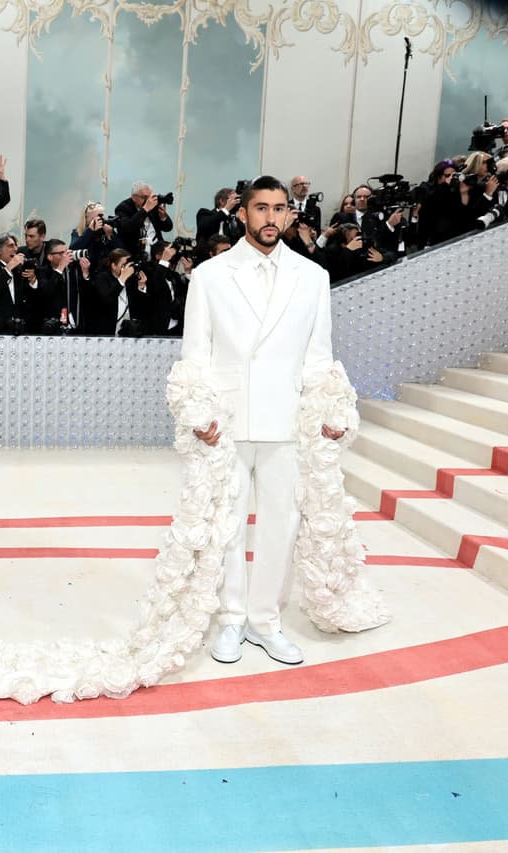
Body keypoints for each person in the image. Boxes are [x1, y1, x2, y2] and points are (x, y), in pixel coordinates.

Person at [181, 175, 343, 667]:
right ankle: (230, 618)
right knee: (226, 524)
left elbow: (319, 355)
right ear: (243, 213)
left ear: (290, 214)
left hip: (286, 419)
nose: (271, 217)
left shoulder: (313, 277)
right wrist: (198, 411)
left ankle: (265, 621)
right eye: (261, 208)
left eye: (280, 208)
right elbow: (196, 353)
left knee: (282, 524)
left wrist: (329, 409)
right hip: (226, 420)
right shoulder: (209, 275)